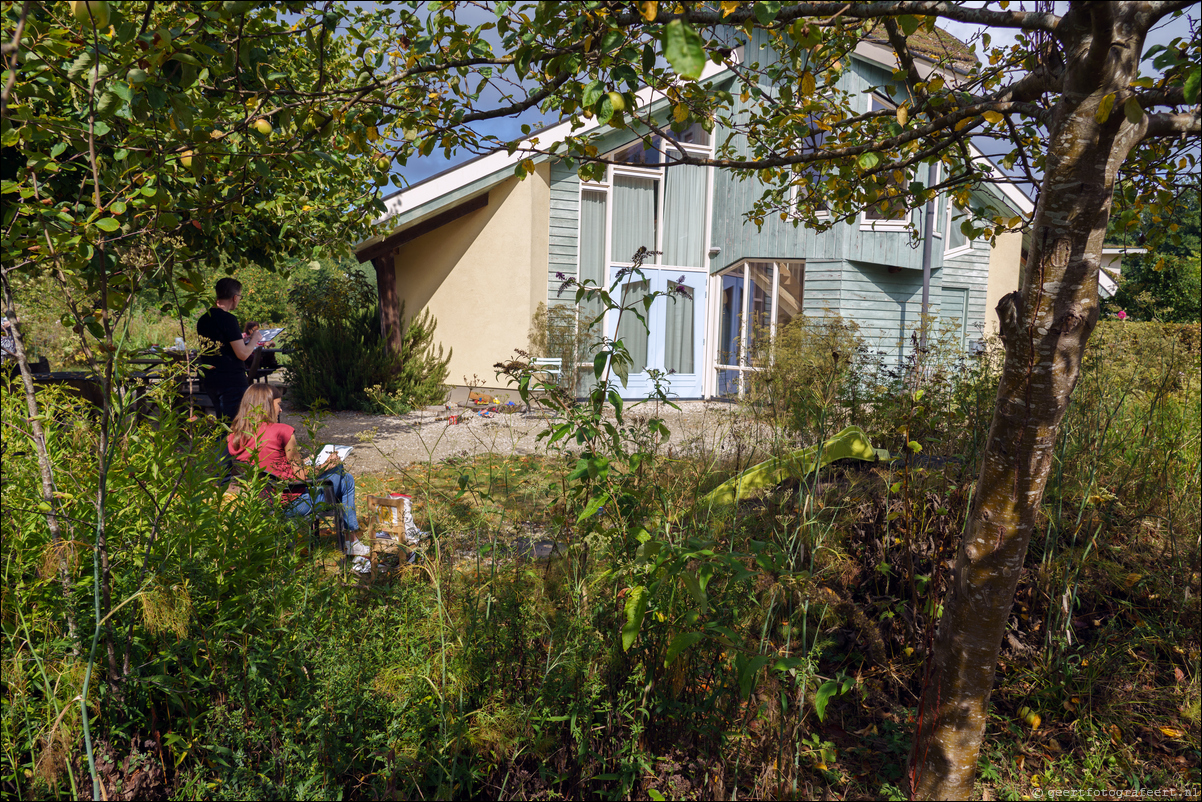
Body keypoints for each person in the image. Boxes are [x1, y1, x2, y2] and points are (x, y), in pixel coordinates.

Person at [227, 384, 370, 567]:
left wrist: (308, 460)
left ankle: (352, 541)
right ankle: (351, 541)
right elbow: (299, 476)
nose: (280, 409)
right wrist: (327, 464)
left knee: (341, 477)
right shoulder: (282, 431)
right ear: (266, 405)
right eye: (278, 404)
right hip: (291, 504)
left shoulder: (235, 435)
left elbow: (271, 465)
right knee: (344, 477)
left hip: (257, 502)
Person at [196, 277, 261, 419]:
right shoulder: (228, 319)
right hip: (231, 381)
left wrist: (242, 340)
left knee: (222, 423)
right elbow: (243, 354)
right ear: (235, 297)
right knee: (234, 427)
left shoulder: (203, 319)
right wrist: (254, 339)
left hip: (211, 380)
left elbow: (221, 343)